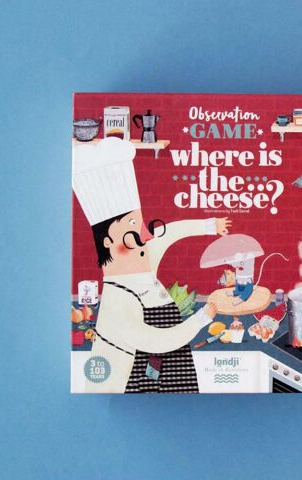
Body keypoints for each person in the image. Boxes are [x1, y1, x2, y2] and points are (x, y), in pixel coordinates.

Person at [72, 138, 232, 393]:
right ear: (108, 242)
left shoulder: (139, 263)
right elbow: (154, 340)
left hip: (170, 364)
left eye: (140, 225)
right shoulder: (118, 297)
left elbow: (166, 234)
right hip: (132, 380)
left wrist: (209, 226)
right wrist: (201, 318)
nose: (145, 235)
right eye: (133, 227)